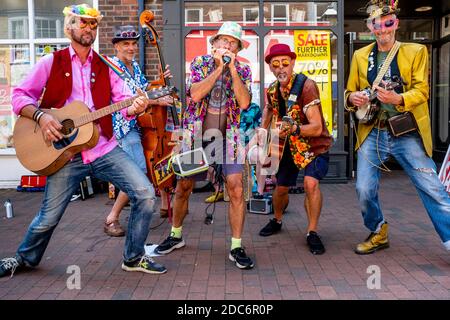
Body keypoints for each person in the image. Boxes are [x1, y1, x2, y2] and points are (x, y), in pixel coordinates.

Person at [0, 4, 167, 278]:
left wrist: (135, 106)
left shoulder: (106, 65)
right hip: (65, 154)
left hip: (103, 148)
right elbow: (20, 96)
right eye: (83, 23)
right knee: (48, 218)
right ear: (69, 28)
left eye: (93, 24)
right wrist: (42, 118)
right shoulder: (51, 62)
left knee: (146, 194)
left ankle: (134, 257)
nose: (89, 28)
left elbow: (122, 100)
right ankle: (25, 258)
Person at [345, 0, 450, 254]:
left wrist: (399, 99)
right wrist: (353, 98)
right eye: (376, 25)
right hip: (372, 130)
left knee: (432, 188)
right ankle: (378, 229)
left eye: (388, 23)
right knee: (364, 189)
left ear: (396, 23)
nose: (382, 30)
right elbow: (349, 92)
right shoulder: (360, 56)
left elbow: (422, 91)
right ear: (370, 27)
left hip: (406, 132)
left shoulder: (415, 51)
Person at [155, 21, 255, 269]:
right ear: (214, 44)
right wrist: (218, 68)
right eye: (223, 41)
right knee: (183, 186)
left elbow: (244, 104)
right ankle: (175, 235)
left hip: (228, 137)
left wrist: (230, 70)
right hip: (195, 135)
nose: (227, 45)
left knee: (236, 189)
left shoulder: (243, 70)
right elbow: (196, 94)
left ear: (238, 49)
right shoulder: (200, 64)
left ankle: (236, 246)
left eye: (232, 43)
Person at [257, 43, 332, 255]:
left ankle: (312, 232)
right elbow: (269, 111)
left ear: (293, 64)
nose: (281, 68)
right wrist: (263, 134)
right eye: (276, 64)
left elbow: (317, 127)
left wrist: (293, 128)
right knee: (280, 188)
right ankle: (277, 220)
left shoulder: (306, 86)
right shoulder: (272, 89)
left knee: (310, 184)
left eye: (285, 64)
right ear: (271, 68)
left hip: (314, 146)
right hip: (289, 145)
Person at [104, 25, 173, 237]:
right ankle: (112, 219)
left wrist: (160, 81)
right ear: (116, 46)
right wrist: (158, 98)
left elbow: (144, 91)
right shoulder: (112, 68)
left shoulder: (133, 65)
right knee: (137, 173)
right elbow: (124, 98)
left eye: (134, 43)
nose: (131, 48)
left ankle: (127, 214)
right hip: (123, 128)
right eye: (126, 44)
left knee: (137, 173)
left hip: (137, 124)